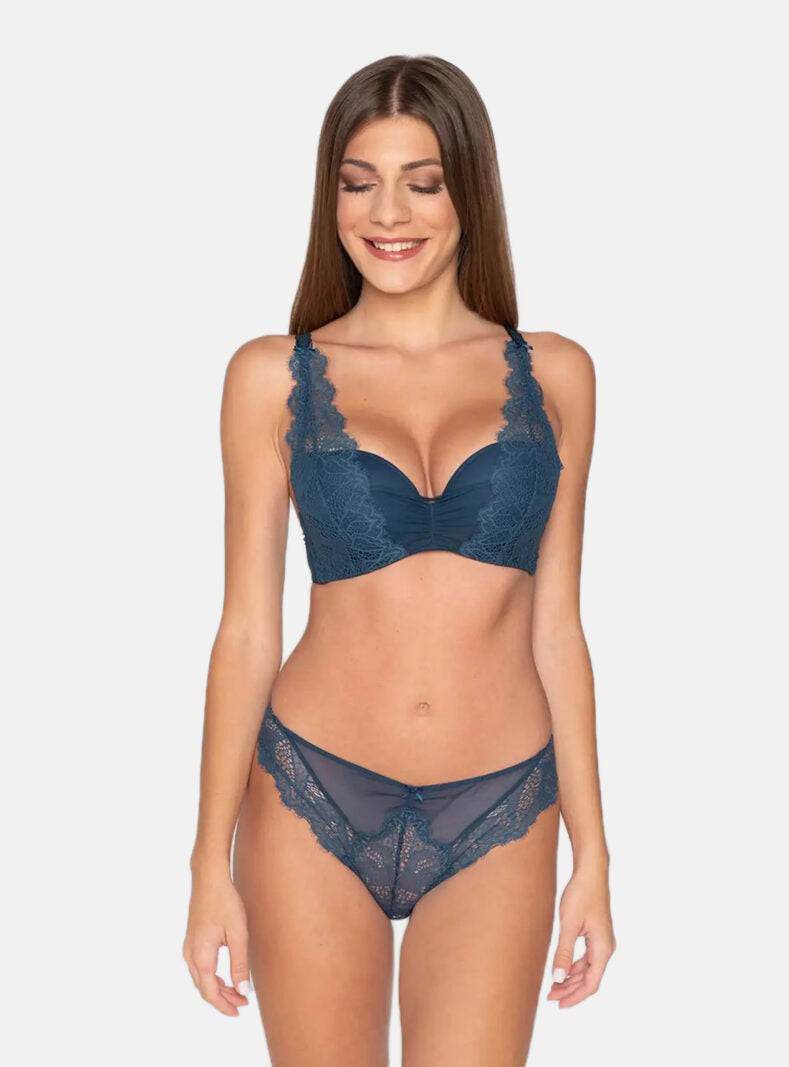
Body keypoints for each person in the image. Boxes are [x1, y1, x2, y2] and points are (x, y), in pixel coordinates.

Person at [184, 54, 615, 1064]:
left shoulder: (556, 374)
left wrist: (593, 853)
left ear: (469, 192)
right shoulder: (269, 377)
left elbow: (557, 625)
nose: (388, 213)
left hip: (503, 802)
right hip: (309, 790)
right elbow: (245, 629)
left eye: (422, 182)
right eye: (358, 181)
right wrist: (208, 861)